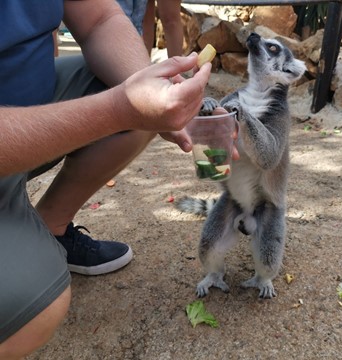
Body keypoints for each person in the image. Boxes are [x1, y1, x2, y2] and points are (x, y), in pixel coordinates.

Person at [0, 0, 213, 358]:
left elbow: (99, 18)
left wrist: (155, 93)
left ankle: (49, 230)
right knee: (37, 305)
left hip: (26, 112)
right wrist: (118, 108)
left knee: (128, 83)